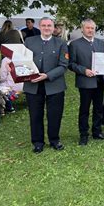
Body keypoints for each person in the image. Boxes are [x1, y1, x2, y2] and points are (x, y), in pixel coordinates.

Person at [23, 17, 68, 153]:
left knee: (54, 114)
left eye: (49, 25)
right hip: (33, 85)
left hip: (54, 85)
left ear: (53, 27)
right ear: (40, 26)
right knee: (35, 115)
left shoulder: (61, 43)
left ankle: (54, 140)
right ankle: (37, 142)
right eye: (44, 25)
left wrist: (48, 75)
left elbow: (63, 65)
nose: (47, 28)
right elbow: (22, 60)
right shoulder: (29, 41)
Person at [69, 19, 104, 146]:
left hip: (99, 81)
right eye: (87, 28)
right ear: (82, 29)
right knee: (84, 109)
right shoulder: (74, 44)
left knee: (99, 108)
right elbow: (71, 64)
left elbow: (103, 62)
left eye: (92, 28)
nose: (90, 30)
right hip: (85, 81)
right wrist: (84, 70)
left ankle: (97, 131)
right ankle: (83, 135)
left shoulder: (101, 43)